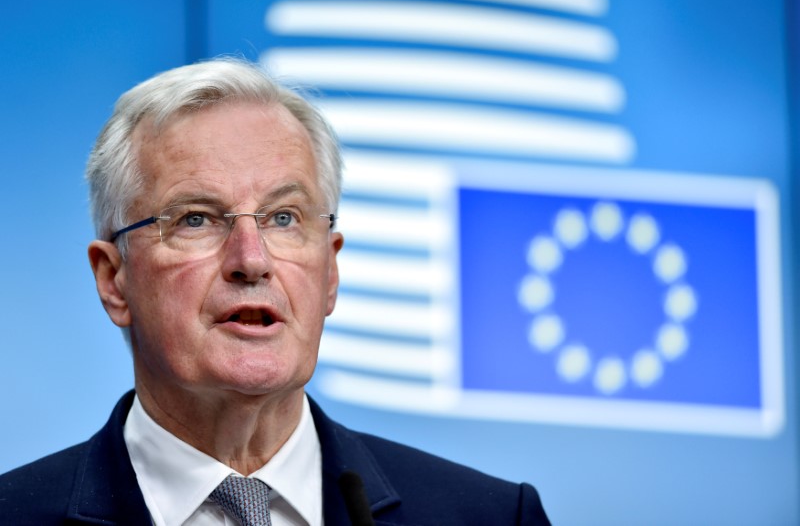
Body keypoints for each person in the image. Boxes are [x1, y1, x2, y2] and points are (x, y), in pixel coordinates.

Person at [0, 58, 550, 526]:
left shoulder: (492, 515)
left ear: (329, 273)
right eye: (196, 219)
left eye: (284, 217)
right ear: (113, 280)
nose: (251, 260)